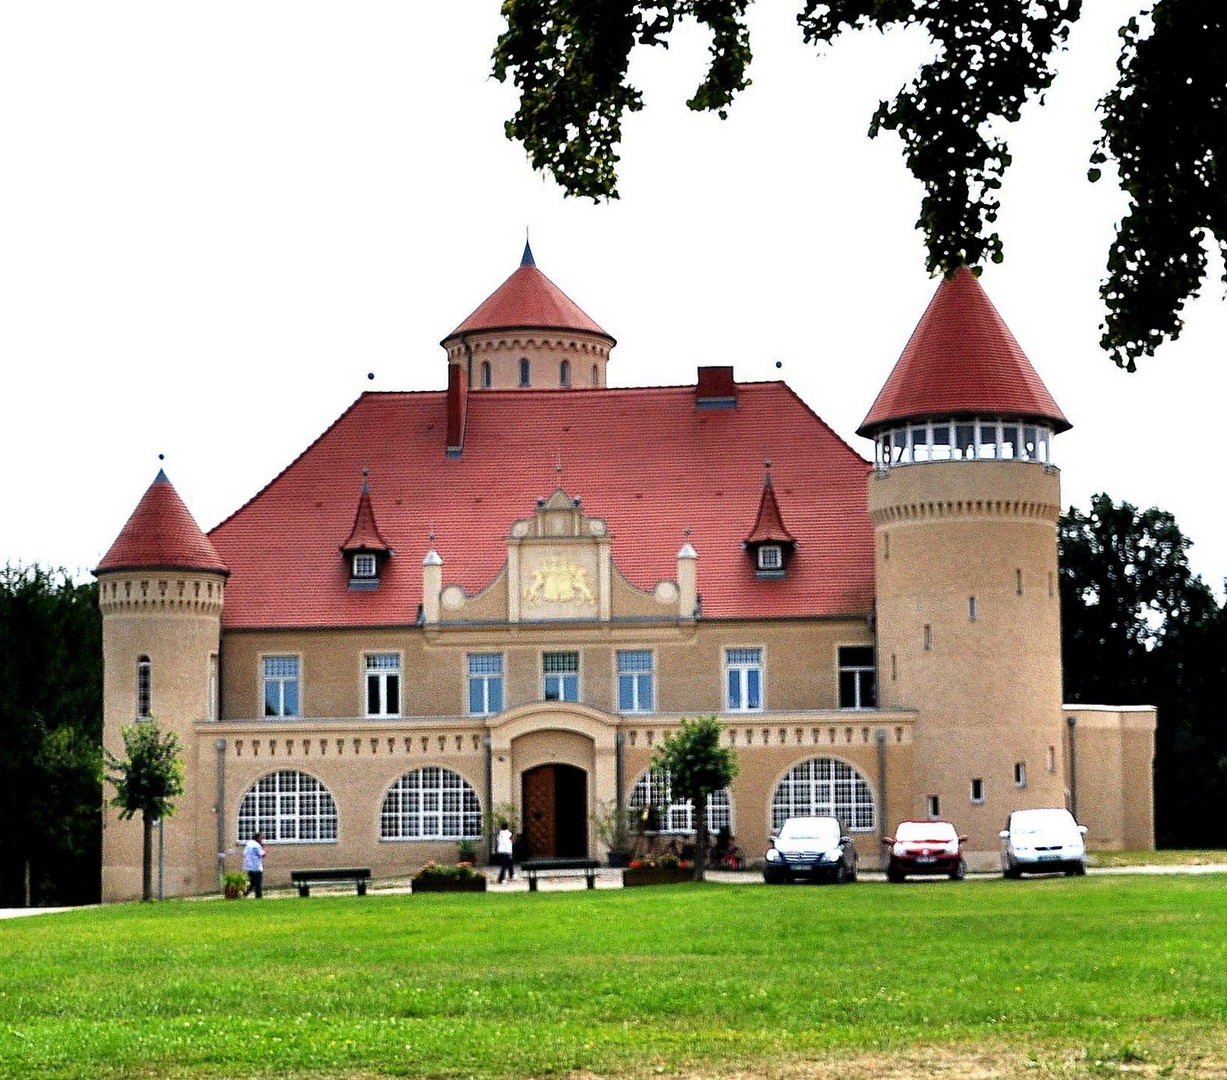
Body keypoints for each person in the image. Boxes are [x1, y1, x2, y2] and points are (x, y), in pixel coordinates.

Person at [243, 832, 266, 898]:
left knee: (252, 883)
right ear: (258, 838)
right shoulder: (257, 845)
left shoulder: (248, 844)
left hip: (249, 867)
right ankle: (258, 896)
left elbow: (244, 854)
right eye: (261, 838)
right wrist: (262, 846)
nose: (262, 839)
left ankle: (245, 893)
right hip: (256, 867)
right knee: (258, 883)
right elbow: (263, 855)